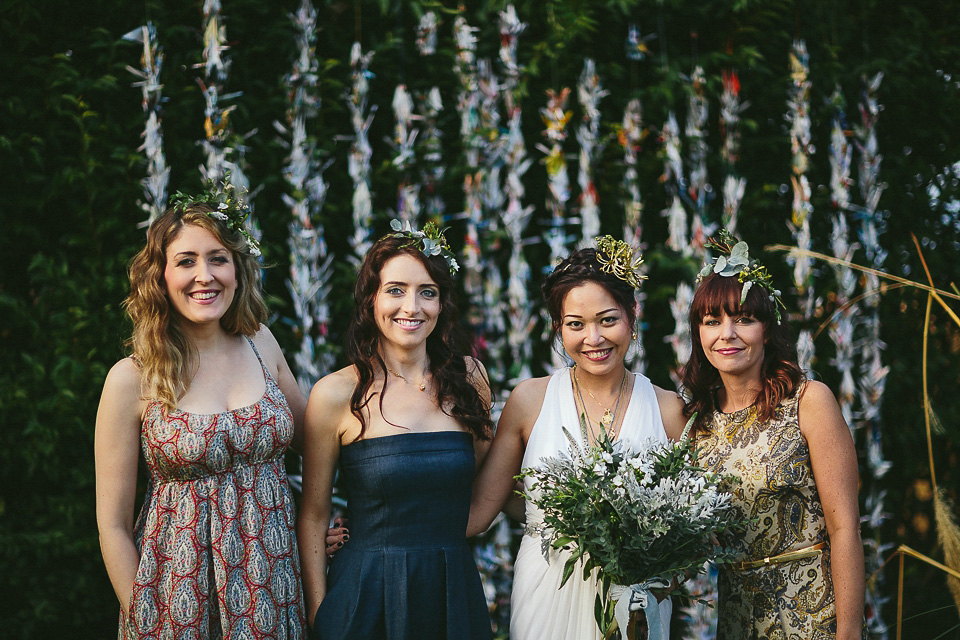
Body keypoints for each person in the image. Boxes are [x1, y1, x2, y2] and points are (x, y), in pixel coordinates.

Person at [95, 185, 307, 639]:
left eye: (218, 258)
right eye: (186, 261)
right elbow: (112, 525)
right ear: (160, 275)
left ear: (237, 268)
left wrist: (327, 521)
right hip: (175, 597)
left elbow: (321, 445)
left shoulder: (262, 343)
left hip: (273, 582)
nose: (204, 275)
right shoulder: (131, 378)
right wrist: (147, 616)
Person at [466, 238, 687, 640]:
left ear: (632, 317)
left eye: (607, 320)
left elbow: (691, 521)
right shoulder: (529, 401)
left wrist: (667, 570)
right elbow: (480, 512)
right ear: (558, 328)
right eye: (576, 324)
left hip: (635, 602)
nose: (594, 338)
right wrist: (373, 529)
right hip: (547, 589)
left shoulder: (668, 408)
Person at [297, 221, 494, 640]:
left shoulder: (470, 378)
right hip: (364, 592)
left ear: (441, 304)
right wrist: (319, 612)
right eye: (395, 290)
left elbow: (475, 483)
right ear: (371, 300)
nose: (412, 307)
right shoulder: (334, 394)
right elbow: (313, 515)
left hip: (450, 587)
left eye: (427, 292)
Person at [679, 231, 865, 639]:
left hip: (813, 612)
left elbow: (845, 529)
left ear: (767, 329)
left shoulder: (809, 402)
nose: (726, 333)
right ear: (699, 335)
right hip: (736, 618)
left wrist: (848, 634)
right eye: (712, 322)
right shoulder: (696, 423)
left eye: (744, 319)